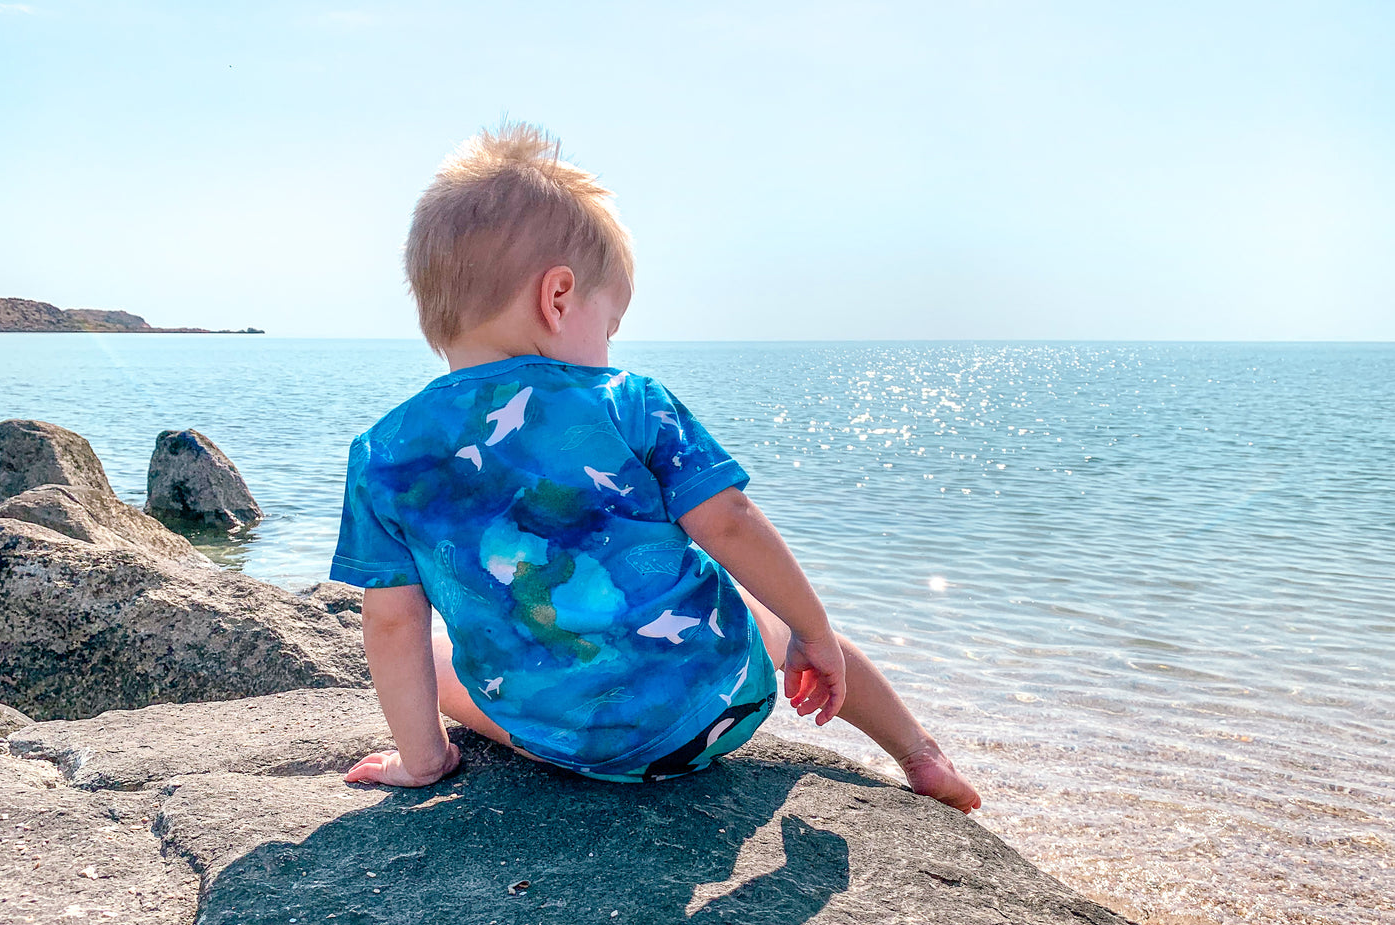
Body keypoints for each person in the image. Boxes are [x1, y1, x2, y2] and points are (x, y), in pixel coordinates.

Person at [331, 123, 980, 813]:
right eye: (609, 325)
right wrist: (811, 633)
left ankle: (433, 755)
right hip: (717, 708)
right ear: (558, 298)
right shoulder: (629, 401)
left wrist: (423, 759)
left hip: (563, 747)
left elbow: (390, 623)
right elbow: (729, 522)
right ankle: (917, 752)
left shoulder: (384, 452)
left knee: (432, 648)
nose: (610, 346)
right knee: (767, 614)